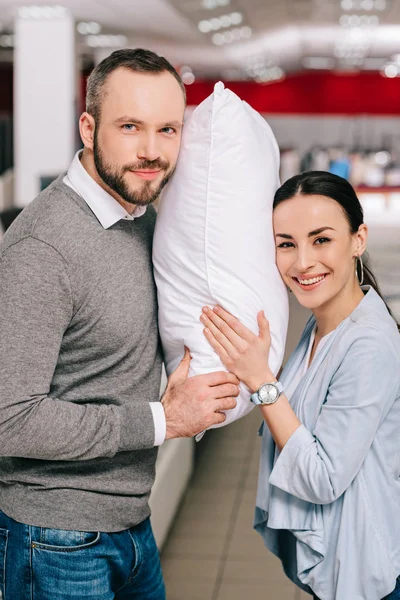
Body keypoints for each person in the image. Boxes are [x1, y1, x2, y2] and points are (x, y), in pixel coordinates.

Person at [0, 48, 240, 600]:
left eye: (168, 129)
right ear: (88, 127)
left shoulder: (144, 220)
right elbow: (11, 418)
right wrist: (162, 420)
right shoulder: (42, 248)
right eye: (130, 127)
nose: (152, 152)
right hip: (53, 538)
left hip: (129, 524)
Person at [200, 171, 400, 600]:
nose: (303, 262)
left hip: (370, 578)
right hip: (342, 569)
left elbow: (324, 478)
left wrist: (262, 381)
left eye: (321, 239)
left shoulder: (368, 344)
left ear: (358, 240)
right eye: (286, 244)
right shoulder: (320, 325)